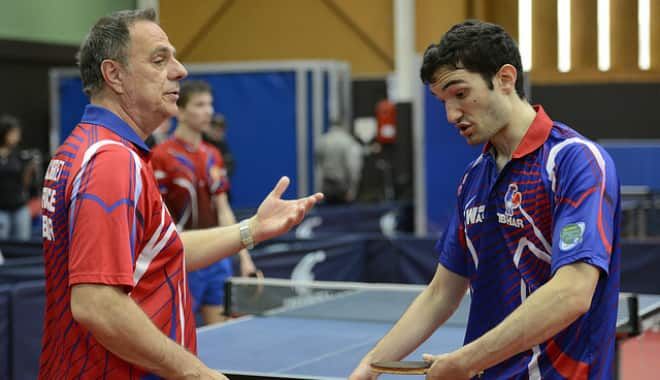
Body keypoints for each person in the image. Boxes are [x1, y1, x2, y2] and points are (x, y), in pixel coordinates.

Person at [38, 9, 322, 379]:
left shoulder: (86, 147)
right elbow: (97, 303)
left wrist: (252, 228)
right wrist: (197, 373)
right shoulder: (111, 161)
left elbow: (157, 254)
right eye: (160, 59)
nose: (180, 70)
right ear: (115, 75)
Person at [350, 20, 620, 380]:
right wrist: (367, 369)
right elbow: (441, 294)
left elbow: (572, 291)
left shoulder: (574, 162)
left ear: (505, 79)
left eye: (460, 94)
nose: (451, 115)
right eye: (443, 101)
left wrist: (466, 361)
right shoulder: (474, 180)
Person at [151, 80, 258, 325]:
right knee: (179, 339)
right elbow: (158, 215)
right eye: (199, 105)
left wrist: (244, 257)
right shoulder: (161, 156)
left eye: (210, 104)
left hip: (217, 258)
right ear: (180, 110)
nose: (208, 111)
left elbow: (223, 209)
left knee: (219, 335)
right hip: (183, 259)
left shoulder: (213, 155)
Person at [0, 114, 37, 240]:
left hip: (19, 207)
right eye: (13, 133)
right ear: (4, 133)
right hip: (2, 210)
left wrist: (29, 170)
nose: (17, 137)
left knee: (22, 244)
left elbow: (24, 183)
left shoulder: (18, 155)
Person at [315, 122, 363, 204]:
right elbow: (353, 167)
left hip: (326, 185)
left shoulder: (323, 140)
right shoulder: (348, 141)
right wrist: (352, 190)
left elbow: (319, 163)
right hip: (342, 186)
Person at [203, 113, 235, 179]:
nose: (217, 133)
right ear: (208, 127)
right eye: (214, 128)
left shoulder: (222, 145)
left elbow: (230, 166)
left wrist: (221, 172)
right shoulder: (199, 140)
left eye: (220, 130)